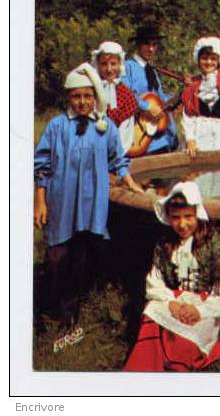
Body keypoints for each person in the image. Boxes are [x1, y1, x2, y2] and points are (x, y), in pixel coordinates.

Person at [34, 62, 143, 326]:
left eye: (87, 96)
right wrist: (40, 202)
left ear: (95, 97)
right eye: (76, 96)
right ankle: (48, 307)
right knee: (57, 256)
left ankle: (72, 312)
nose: (82, 102)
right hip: (62, 202)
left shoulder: (105, 127)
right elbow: (42, 166)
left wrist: (131, 183)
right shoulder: (57, 127)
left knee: (82, 258)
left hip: (91, 204)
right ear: (68, 98)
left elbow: (119, 161)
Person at [124, 182, 220, 372]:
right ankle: (147, 364)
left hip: (203, 303)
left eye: (188, 217)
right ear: (169, 217)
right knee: (151, 310)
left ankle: (178, 363)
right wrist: (171, 302)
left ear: (198, 214)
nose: (182, 224)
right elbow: (154, 280)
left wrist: (200, 311)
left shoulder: (214, 245)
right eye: (176, 218)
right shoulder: (165, 244)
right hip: (173, 299)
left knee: (189, 334)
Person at [121, 24, 179, 154]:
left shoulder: (153, 70)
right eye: (147, 44)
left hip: (160, 137)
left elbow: (161, 99)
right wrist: (147, 107)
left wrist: (179, 97)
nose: (151, 49)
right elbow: (124, 95)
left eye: (154, 44)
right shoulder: (127, 67)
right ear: (138, 45)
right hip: (138, 136)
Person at [91, 41, 139, 154]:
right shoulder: (90, 90)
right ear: (97, 65)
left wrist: (117, 154)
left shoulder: (126, 95)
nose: (109, 69)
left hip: (117, 153)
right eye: (104, 64)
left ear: (120, 64)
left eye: (113, 64)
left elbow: (126, 131)